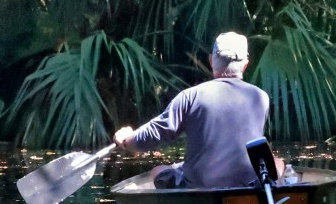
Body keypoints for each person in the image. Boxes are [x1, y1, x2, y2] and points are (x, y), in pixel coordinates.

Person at [113, 32, 271, 189]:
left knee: (158, 170)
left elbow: (156, 133)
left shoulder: (190, 96)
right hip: (247, 185)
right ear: (245, 65)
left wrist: (128, 140)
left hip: (198, 188)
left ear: (210, 61)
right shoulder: (260, 97)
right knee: (278, 164)